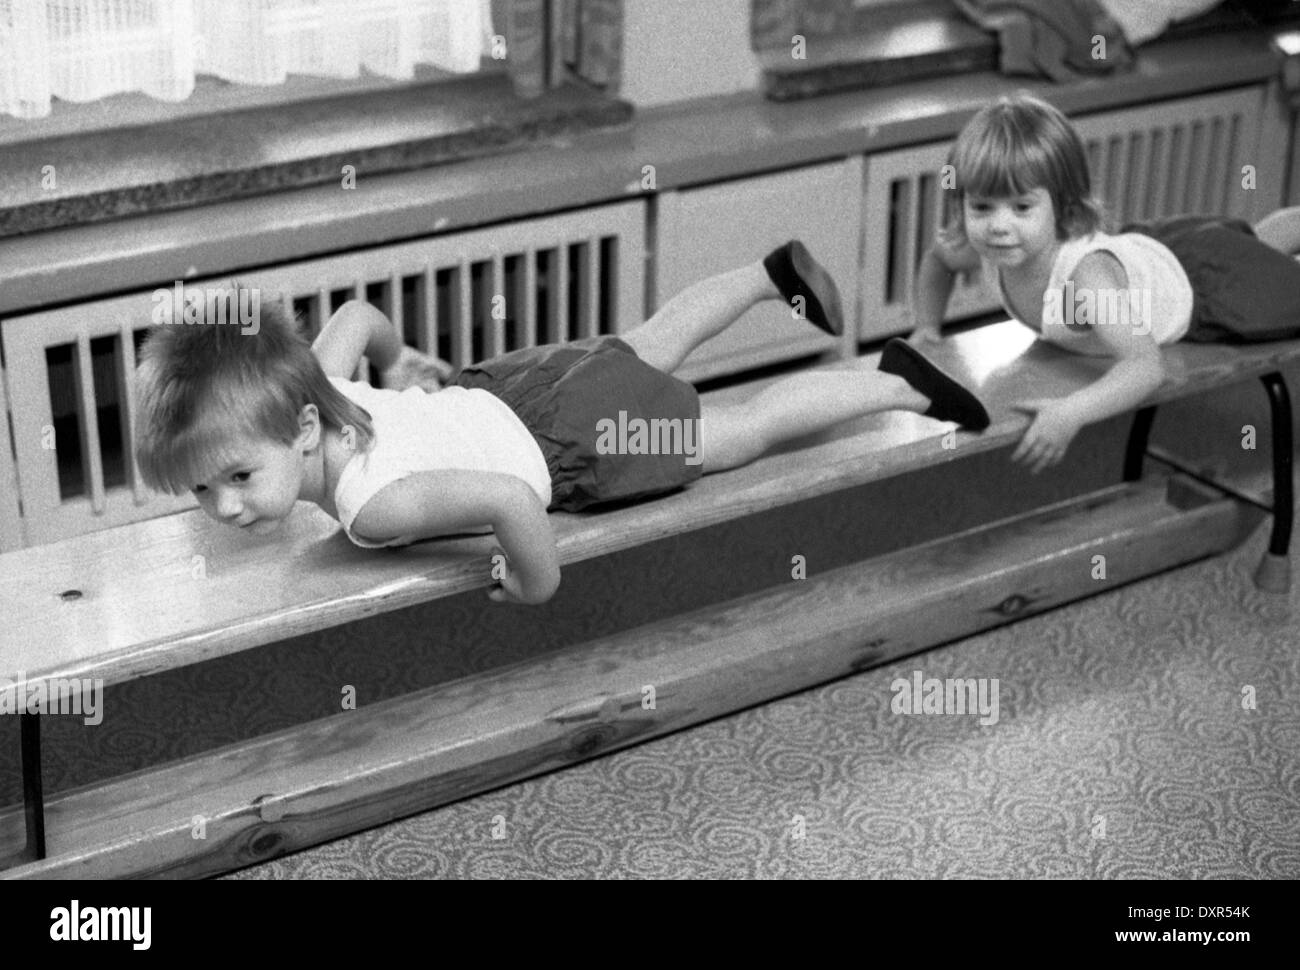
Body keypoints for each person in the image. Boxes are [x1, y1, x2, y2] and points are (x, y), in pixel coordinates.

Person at [133, 244, 991, 605]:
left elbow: (511, 499)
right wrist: (398, 364)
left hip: (576, 443)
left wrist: (537, 584)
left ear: (305, 431)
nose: (225, 508)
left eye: (239, 477)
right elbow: (358, 313)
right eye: (203, 488)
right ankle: (769, 276)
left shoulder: (374, 507)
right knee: (650, 340)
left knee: (739, 433)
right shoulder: (311, 377)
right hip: (522, 386)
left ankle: (899, 384)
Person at [909, 91, 1300, 474]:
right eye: (981, 206)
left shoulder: (1087, 278)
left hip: (1206, 292)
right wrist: (927, 326)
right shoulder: (984, 247)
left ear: (1064, 207)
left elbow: (1146, 365)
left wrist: (1072, 411)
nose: (998, 225)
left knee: (1271, 270)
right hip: (1153, 254)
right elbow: (937, 261)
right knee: (1255, 244)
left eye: (1021, 207)